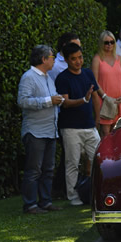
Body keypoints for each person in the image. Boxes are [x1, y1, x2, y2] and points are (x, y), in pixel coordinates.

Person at [17, 45, 64, 214]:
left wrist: (58, 100)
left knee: (48, 169)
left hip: (50, 131)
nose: (53, 60)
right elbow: (23, 101)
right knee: (34, 170)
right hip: (35, 131)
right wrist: (49, 101)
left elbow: (50, 99)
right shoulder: (29, 77)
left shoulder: (48, 78)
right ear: (43, 59)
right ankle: (30, 205)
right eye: (51, 57)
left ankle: (45, 201)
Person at [55, 43, 101, 206]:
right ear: (67, 60)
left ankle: (99, 193)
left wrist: (97, 119)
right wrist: (83, 100)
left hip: (90, 126)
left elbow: (95, 97)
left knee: (99, 160)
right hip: (70, 128)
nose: (78, 61)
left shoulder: (88, 74)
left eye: (80, 57)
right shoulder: (62, 78)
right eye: (73, 59)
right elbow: (65, 102)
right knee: (72, 163)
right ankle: (73, 197)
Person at [48, 32, 81, 199]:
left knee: (71, 151)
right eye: (75, 45)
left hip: (72, 111)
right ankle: (58, 187)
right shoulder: (55, 65)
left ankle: (62, 186)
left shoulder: (74, 61)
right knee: (68, 151)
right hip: (61, 112)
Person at [91, 30, 121, 138]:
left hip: (119, 101)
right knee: (106, 134)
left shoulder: (119, 59)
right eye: (106, 42)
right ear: (101, 43)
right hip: (105, 101)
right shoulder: (97, 59)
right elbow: (94, 81)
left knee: (119, 132)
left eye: (112, 42)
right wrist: (105, 96)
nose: (109, 45)